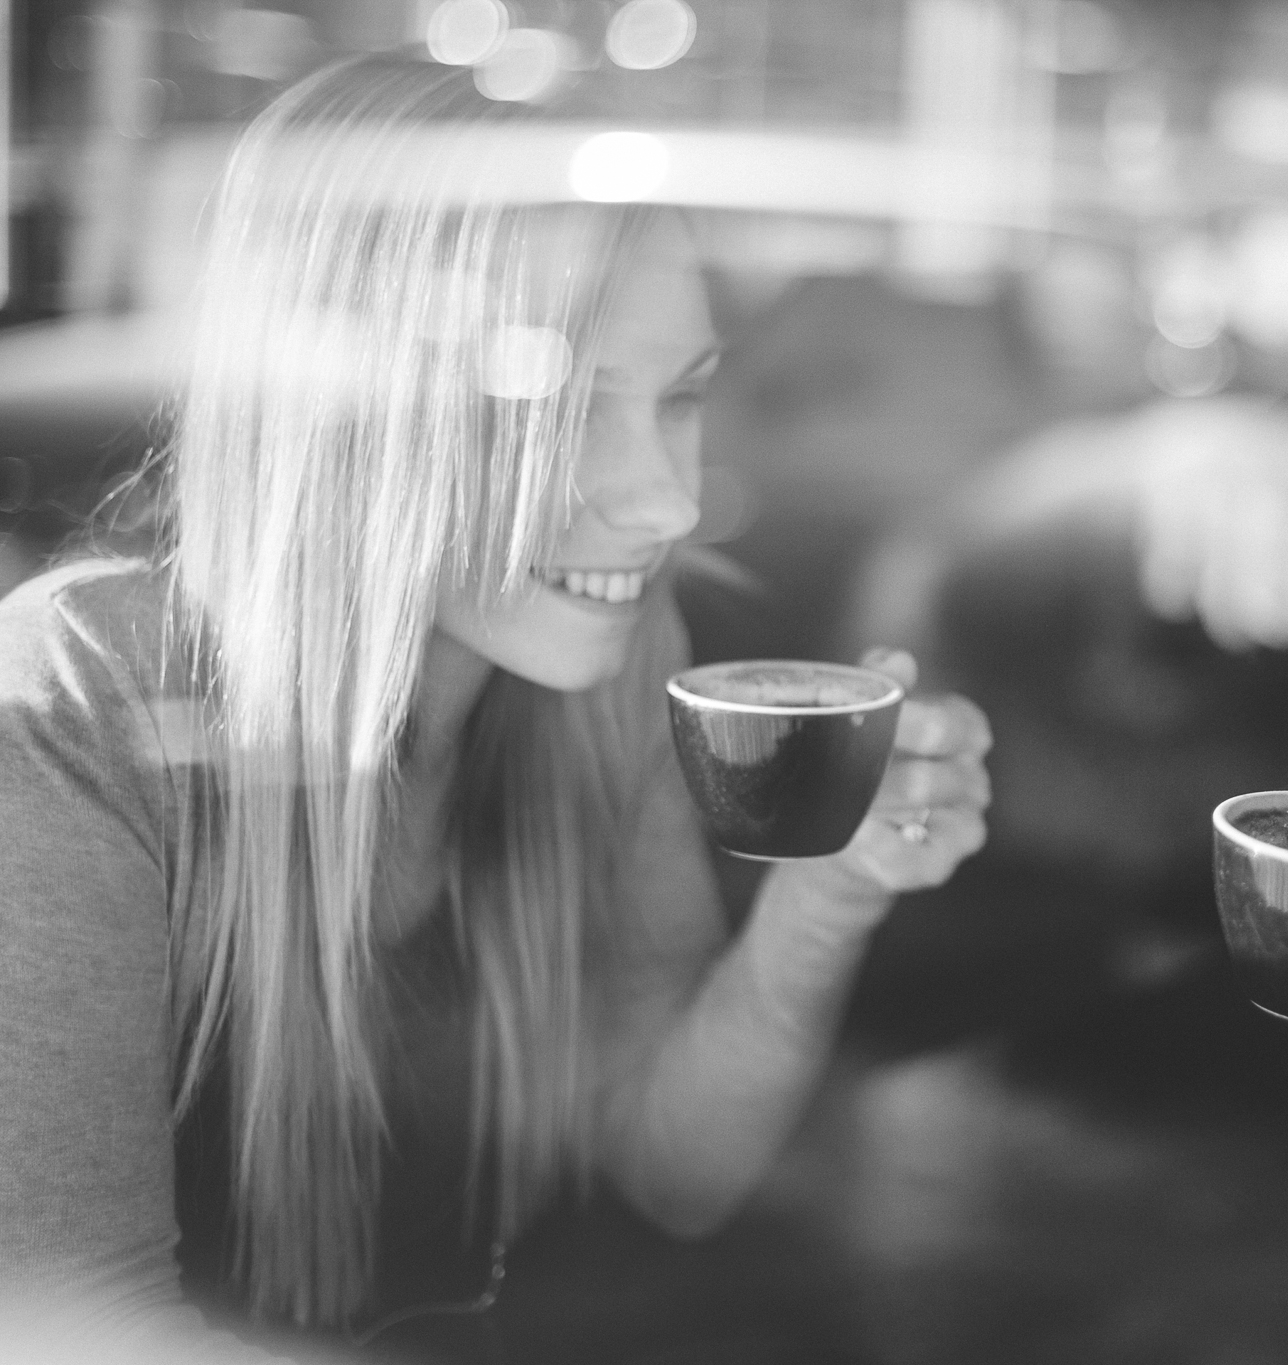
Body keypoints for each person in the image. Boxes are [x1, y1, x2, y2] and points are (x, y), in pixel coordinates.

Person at [0, 54, 991, 1360]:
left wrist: (834, 885)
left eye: (680, 393)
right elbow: (74, 1330)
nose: (668, 501)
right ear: (348, 418)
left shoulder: (621, 652)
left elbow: (670, 1162)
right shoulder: (73, 699)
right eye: (566, 412)